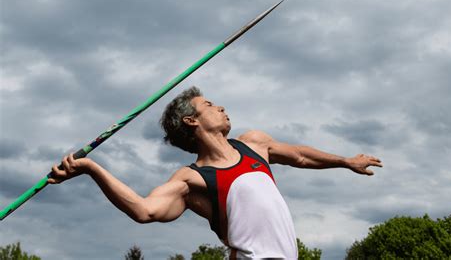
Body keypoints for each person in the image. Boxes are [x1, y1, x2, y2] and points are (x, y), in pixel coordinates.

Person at [49, 86, 383, 259]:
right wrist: (91, 168)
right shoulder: (192, 179)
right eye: (209, 105)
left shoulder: (254, 144)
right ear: (191, 121)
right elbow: (145, 210)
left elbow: (298, 155)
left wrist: (345, 161)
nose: (220, 107)